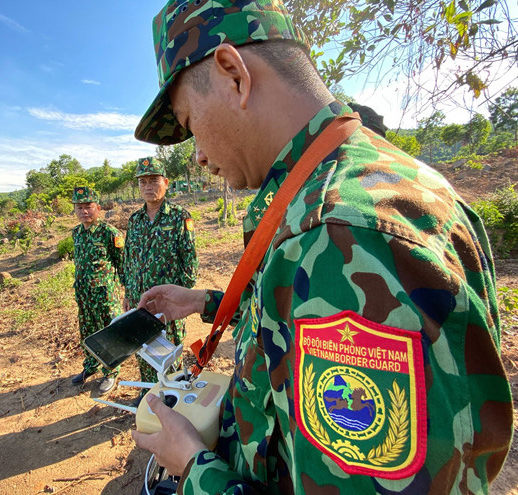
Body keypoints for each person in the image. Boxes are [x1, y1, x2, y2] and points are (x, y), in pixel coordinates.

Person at [130, 1, 513, 494]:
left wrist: (194, 466)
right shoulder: (339, 185)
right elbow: (297, 315)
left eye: (191, 122)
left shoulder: (338, 231)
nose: (199, 154)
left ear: (233, 74)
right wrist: (205, 301)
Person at [122, 157, 198, 395]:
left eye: (153, 180)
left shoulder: (179, 216)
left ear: (165, 182)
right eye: (142, 182)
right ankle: (149, 396)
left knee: (168, 354)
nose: (148, 186)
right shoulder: (134, 221)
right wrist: (128, 294)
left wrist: (181, 297)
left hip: (168, 304)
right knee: (144, 350)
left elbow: (190, 263)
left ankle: (171, 397)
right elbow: (129, 260)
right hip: (140, 302)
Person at [70, 186, 124, 395]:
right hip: (84, 294)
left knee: (108, 332)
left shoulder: (109, 233)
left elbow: (122, 265)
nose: (84, 211)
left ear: (98, 208)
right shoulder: (76, 233)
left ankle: (111, 371)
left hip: (105, 295)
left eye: (88, 207)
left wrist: (126, 292)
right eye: (79, 207)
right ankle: (91, 365)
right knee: (87, 331)